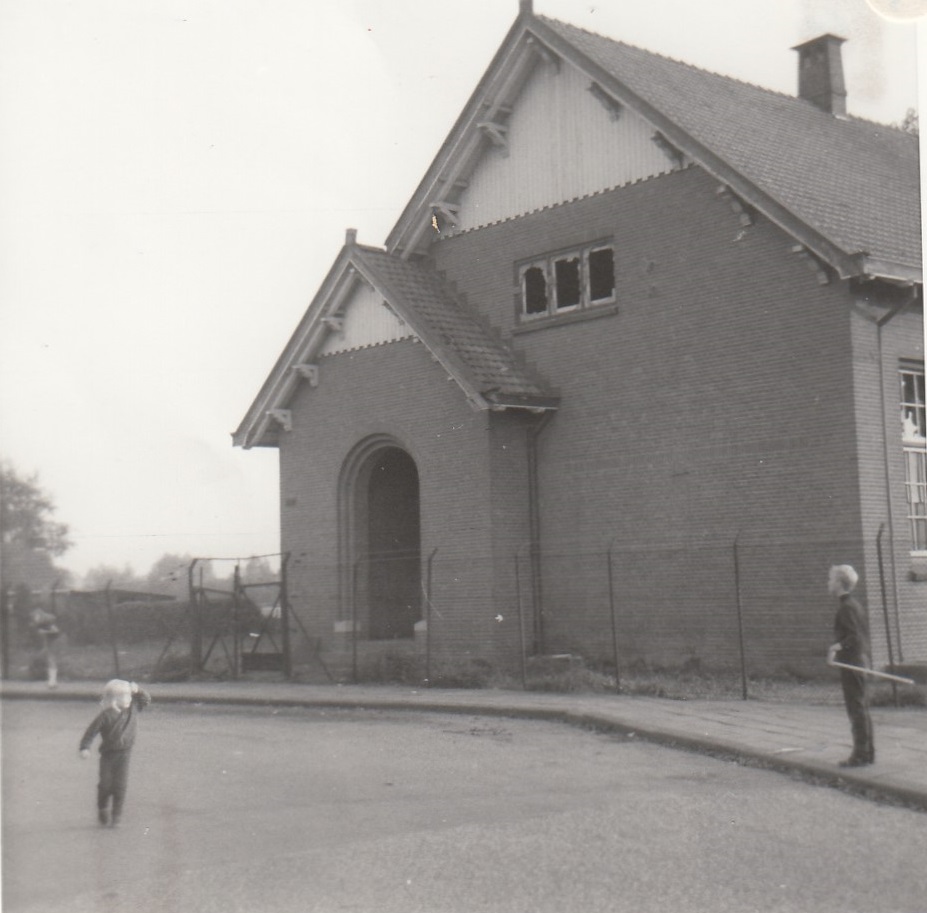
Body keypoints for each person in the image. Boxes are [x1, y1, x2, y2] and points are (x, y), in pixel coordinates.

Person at [79, 679, 152, 827]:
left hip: (125, 754)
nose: (129, 699)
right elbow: (91, 731)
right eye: (125, 696)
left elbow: (146, 700)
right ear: (114, 699)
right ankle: (103, 807)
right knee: (105, 785)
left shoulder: (133, 708)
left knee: (120, 785)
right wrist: (84, 747)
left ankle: (116, 815)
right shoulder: (106, 715)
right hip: (108, 755)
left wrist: (137, 690)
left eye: (129, 696)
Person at [826, 565, 874, 768]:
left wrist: (835, 648)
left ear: (839, 583)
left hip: (852, 662)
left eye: (830, 579)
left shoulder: (846, 608)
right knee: (860, 706)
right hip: (857, 661)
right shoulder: (853, 605)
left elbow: (853, 637)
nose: (828, 583)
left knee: (856, 708)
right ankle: (867, 752)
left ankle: (861, 754)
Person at [29, 607, 61, 688]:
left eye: (36, 617)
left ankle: (53, 681)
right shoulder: (41, 622)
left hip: (55, 641)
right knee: (48, 659)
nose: (35, 619)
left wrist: (44, 632)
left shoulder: (48, 620)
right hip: (49, 641)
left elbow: (56, 631)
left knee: (51, 659)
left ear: (39, 615)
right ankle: (52, 680)